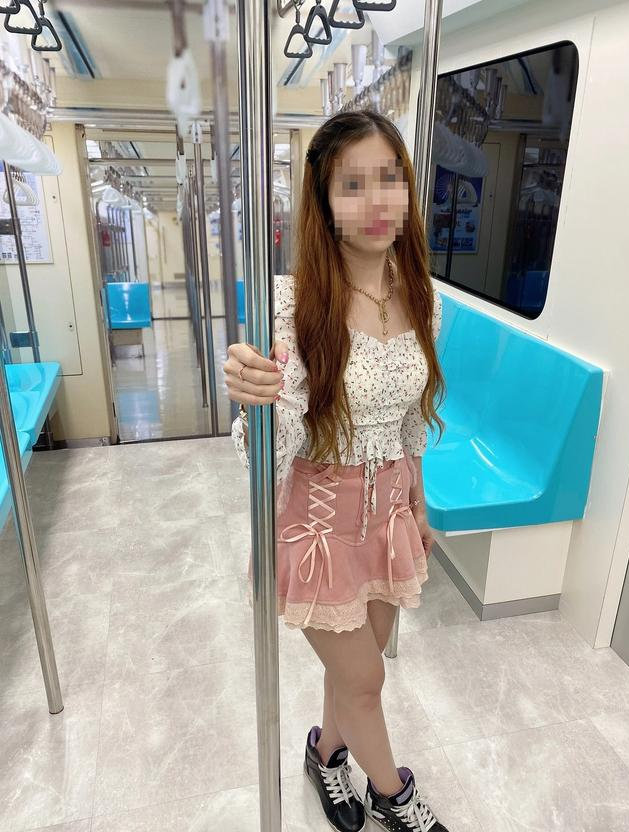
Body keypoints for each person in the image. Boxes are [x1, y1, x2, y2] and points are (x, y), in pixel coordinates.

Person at [224, 110, 448, 832]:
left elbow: (411, 419)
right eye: (353, 184)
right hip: (318, 524)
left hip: (389, 519)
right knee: (368, 679)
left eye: (390, 177)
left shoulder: (421, 296)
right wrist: (256, 395)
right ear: (324, 202)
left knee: (355, 668)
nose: (378, 200)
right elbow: (268, 451)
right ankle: (395, 797)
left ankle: (326, 755)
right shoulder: (292, 304)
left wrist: (418, 504)